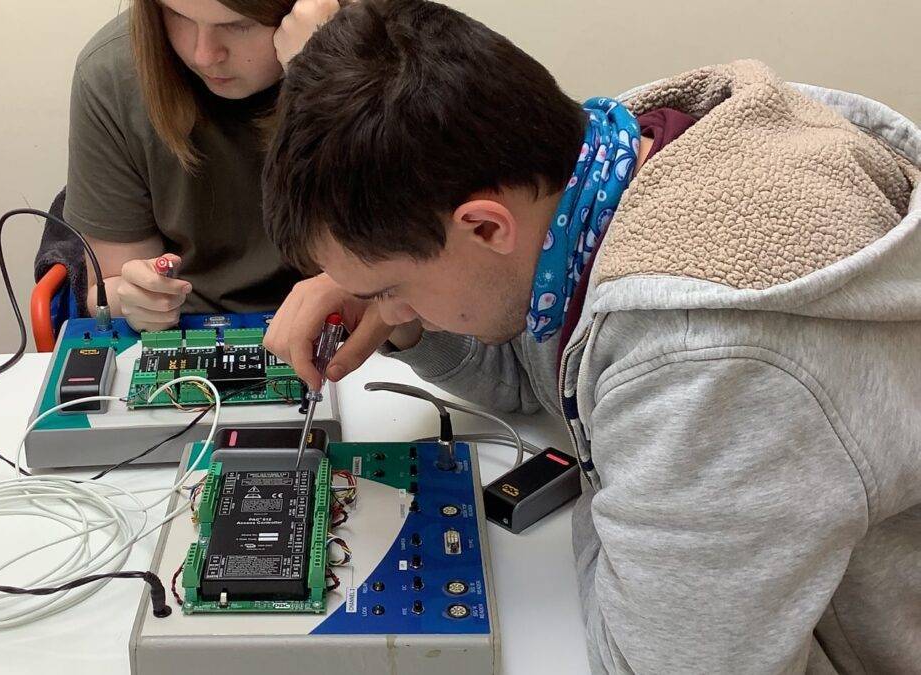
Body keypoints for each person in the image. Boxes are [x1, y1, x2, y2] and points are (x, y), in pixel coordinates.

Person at [261, 0, 921, 671]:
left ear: (486, 227)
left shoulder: (708, 361)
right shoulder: (612, 160)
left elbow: (651, 662)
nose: (385, 307)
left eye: (388, 287)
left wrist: (606, 480)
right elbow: (536, 376)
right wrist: (403, 321)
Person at [61, 0, 340, 331]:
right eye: (178, 15)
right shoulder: (110, 73)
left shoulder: (387, 54)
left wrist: (324, 75)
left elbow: (402, 267)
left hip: (342, 325)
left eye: (238, 25)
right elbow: (105, 286)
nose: (203, 55)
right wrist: (135, 296)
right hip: (186, 327)